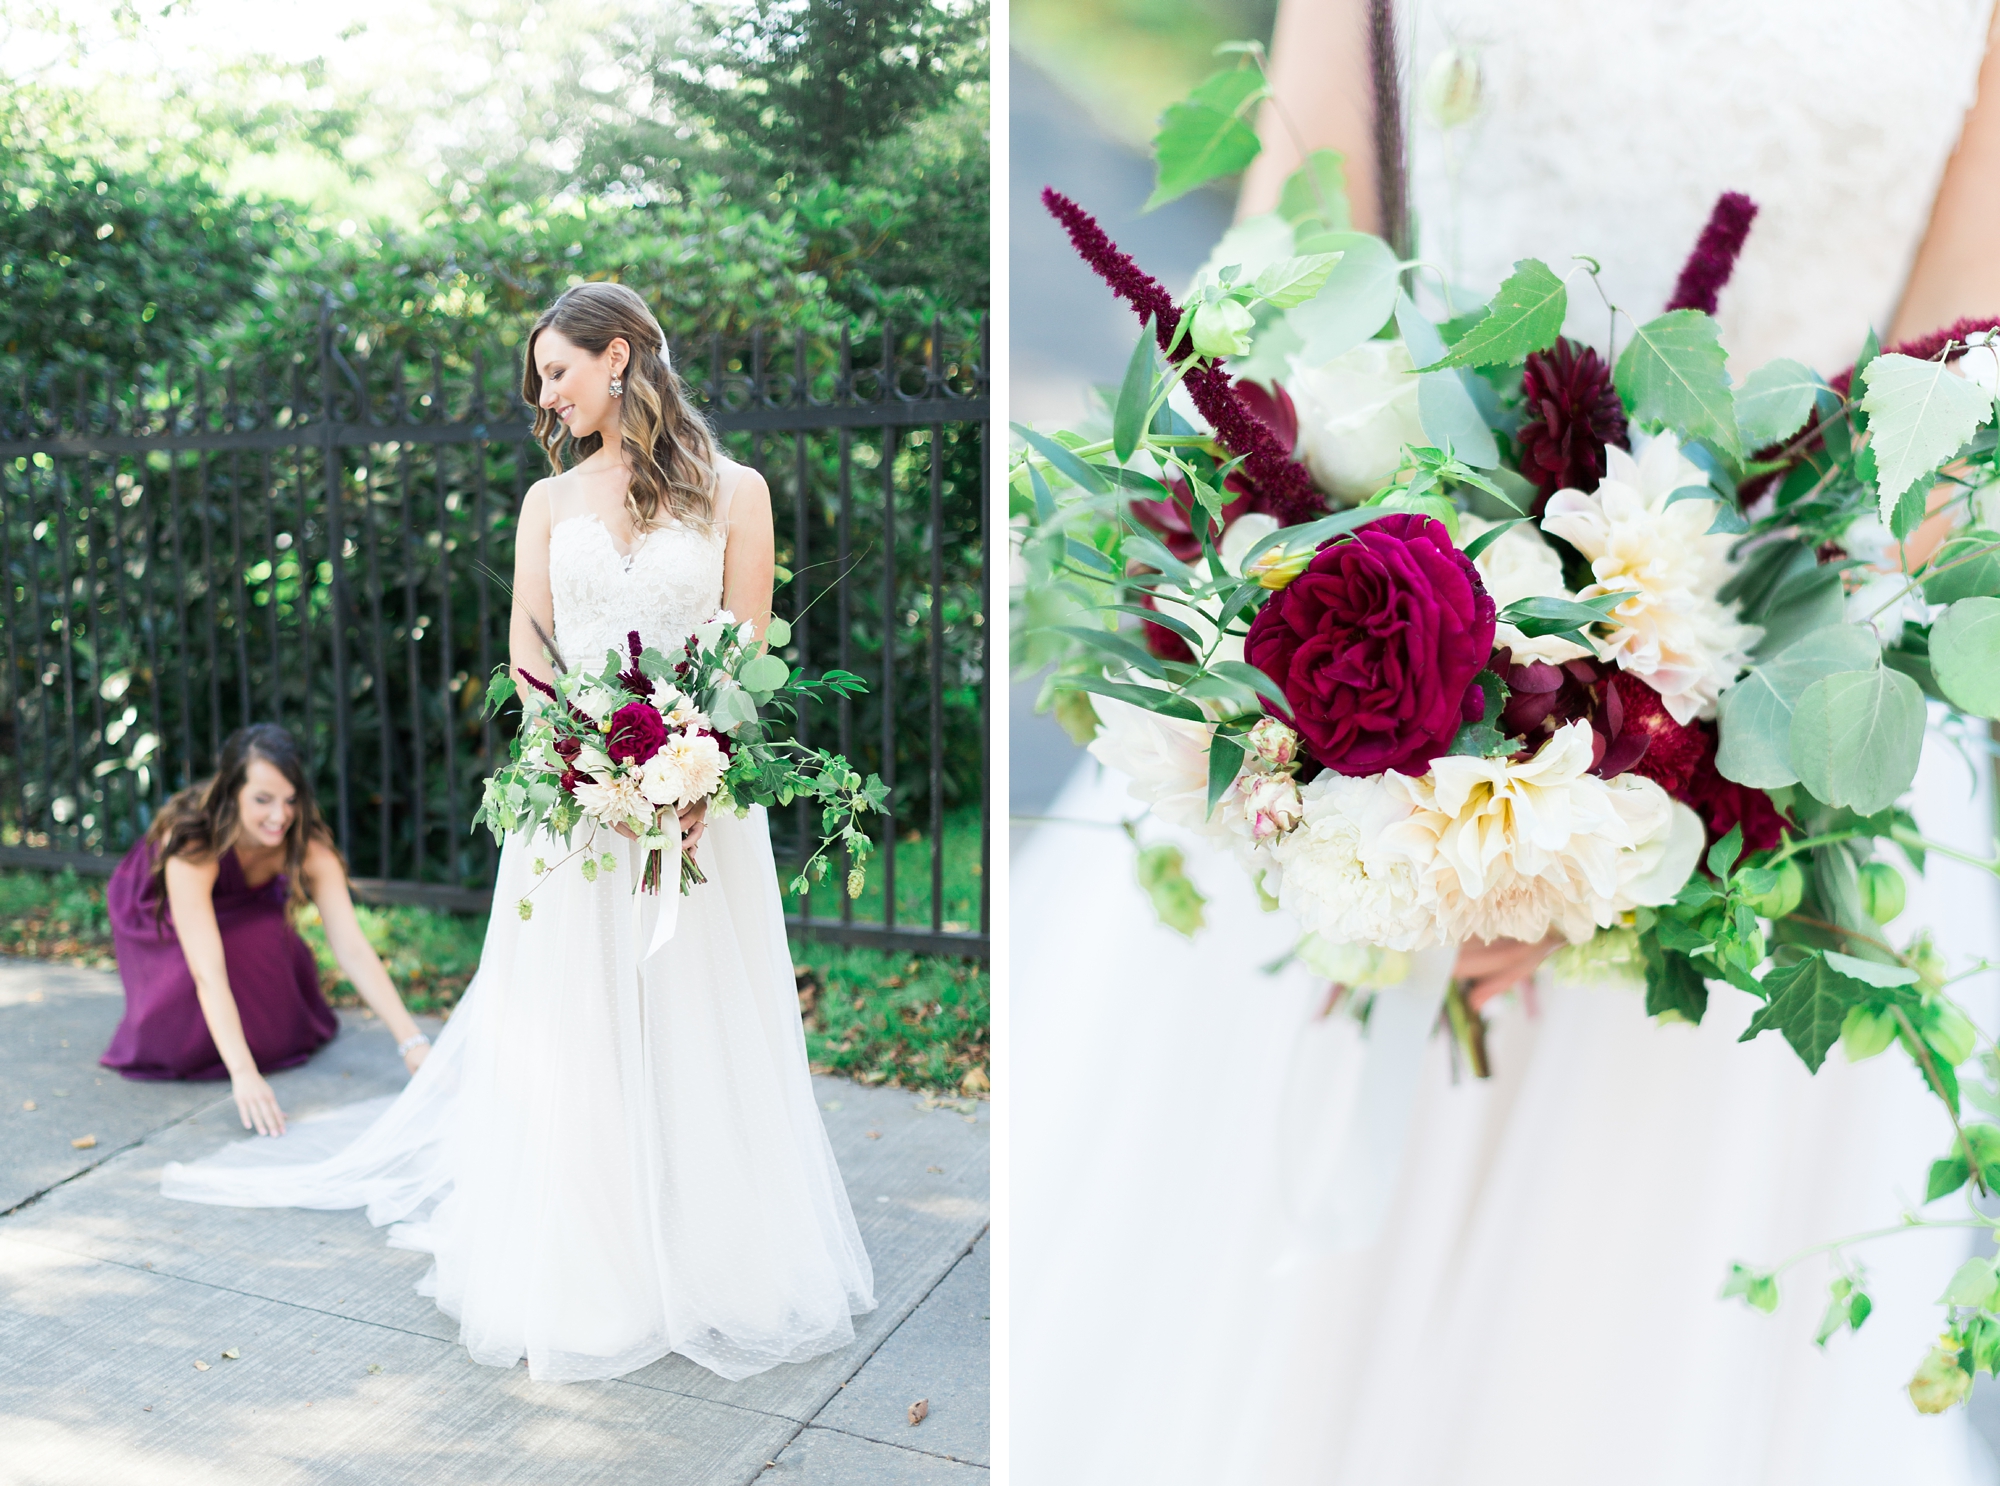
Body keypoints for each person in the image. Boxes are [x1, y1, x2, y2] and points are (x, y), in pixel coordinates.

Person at [1012, 2, 2000, 1481]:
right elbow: (1295, 237)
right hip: (1361, 653)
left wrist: (1659, 769)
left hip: (1776, 732)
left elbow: (1952, 386)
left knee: (1632, 1367)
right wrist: (1388, 737)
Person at [160, 281, 874, 1385]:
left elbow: (747, 660)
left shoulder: (739, 492)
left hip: (699, 808)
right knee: (579, 1036)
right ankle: (595, 1265)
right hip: (576, 813)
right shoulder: (549, 505)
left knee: (698, 1023)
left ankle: (713, 1254)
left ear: (620, 356)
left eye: (556, 371)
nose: (544, 395)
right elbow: (532, 664)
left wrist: (695, 776)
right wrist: (586, 767)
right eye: (540, 377)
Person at [100, 723, 431, 1133]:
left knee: (259, 942)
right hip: (159, 911)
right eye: (262, 799)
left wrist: (411, 1042)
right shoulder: (192, 844)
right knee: (176, 1032)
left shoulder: (307, 845)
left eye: (290, 800)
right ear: (230, 793)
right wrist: (244, 1074)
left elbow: (352, 947)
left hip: (244, 913)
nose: (280, 816)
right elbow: (208, 970)